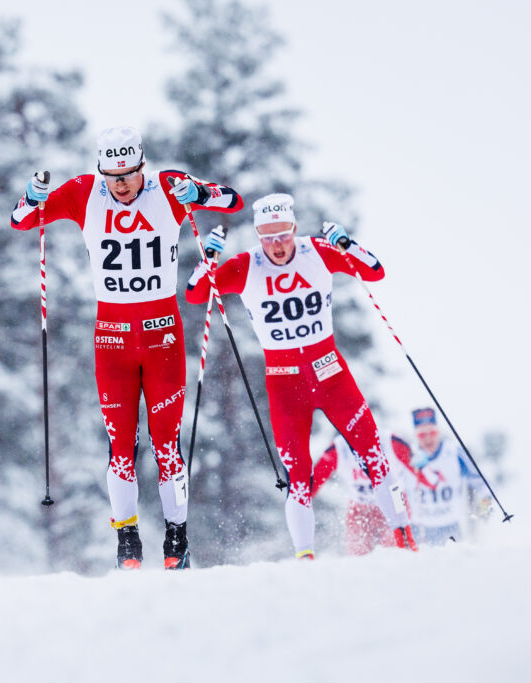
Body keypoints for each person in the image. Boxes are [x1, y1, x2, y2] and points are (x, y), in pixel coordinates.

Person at [10, 126, 243, 570]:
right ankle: (127, 541)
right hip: (112, 336)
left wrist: (197, 191)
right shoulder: (84, 192)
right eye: (112, 175)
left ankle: (177, 538)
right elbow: (22, 220)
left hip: (163, 336)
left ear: (142, 166)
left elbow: (231, 200)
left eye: (129, 174)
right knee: (121, 448)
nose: (120, 184)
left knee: (166, 446)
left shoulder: (168, 188)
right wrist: (31, 195)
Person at [185, 193, 418, 558]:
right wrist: (208, 258)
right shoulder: (248, 265)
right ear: (259, 236)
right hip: (284, 383)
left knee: (374, 454)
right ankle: (305, 557)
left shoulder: (317, 252)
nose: (277, 246)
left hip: (331, 374)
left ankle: (405, 539)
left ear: (294, 229)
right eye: (268, 237)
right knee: (298, 477)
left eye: (283, 235)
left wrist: (346, 243)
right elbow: (197, 295)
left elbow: (374, 271)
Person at [312, 429, 429, 555]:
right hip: (360, 505)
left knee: (394, 550)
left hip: (395, 501)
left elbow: (426, 476)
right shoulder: (339, 449)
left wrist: (423, 468)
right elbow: (312, 486)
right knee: (357, 550)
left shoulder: (390, 442)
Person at [405, 407, 492, 545]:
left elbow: (480, 482)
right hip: (419, 529)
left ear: (438, 432)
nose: (428, 438)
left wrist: (486, 501)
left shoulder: (454, 453)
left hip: (451, 527)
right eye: (422, 434)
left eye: (432, 432)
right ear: (416, 436)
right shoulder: (407, 456)